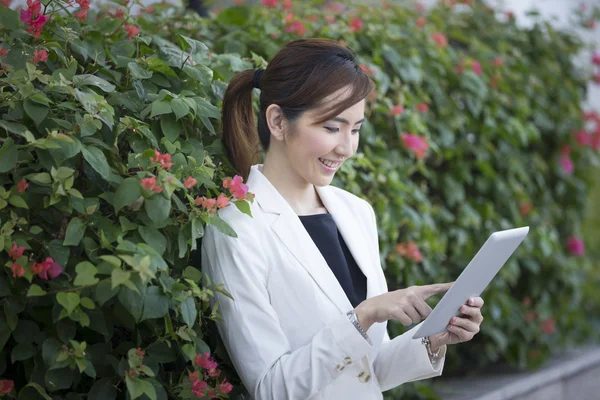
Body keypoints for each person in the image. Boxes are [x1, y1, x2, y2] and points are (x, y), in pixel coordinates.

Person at [201, 38, 485, 400]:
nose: (347, 148)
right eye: (332, 128)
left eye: (356, 128)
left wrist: (434, 338)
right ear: (277, 121)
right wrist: (362, 317)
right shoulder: (237, 230)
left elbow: (371, 370)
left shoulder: (355, 212)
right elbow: (272, 388)